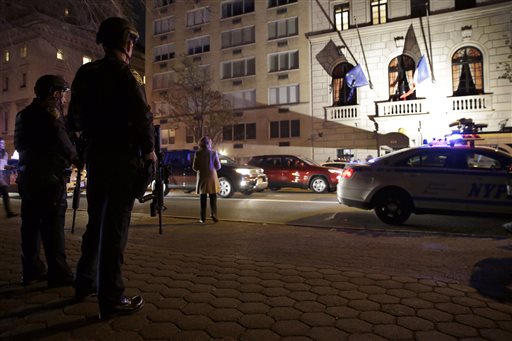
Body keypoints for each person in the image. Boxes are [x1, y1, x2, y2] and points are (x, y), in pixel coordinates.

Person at [68, 17, 156, 320]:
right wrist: (150, 153)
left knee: (96, 223)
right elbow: (142, 116)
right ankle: (111, 296)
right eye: (130, 40)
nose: (133, 45)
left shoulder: (85, 72)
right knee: (115, 227)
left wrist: (84, 151)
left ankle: (84, 281)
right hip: (122, 158)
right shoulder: (126, 74)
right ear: (123, 42)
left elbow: (73, 120)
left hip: (96, 156)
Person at [14, 74, 76, 287]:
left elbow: (20, 145)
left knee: (30, 225)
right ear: (54, 93)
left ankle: (31, 270)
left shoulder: (22, 115)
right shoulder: (51, 114)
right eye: (62, 94)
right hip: (49, 179)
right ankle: (58, 272)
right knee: (53, 226)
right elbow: (64, 143)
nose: (64, 99)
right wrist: (78, 159)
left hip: (28, 178)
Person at [192, 136, 221, 223]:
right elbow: (218, 166)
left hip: (202, 177)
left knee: (203, 197)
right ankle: (214, 214)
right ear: (209, 144)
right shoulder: (213, 153)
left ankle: (202, 218)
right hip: (212, 177)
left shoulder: (198, 154)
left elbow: (195, 167)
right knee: (213, 197)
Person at [0, 138, 17, 218]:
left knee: (5, 193)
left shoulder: (5, 154)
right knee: (5, 193)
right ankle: (9, 212)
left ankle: (9, 212)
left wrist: (11, 167)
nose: (2, 145)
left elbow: (3, 166)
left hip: (0, 177)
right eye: (0, 143)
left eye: (3, 143)